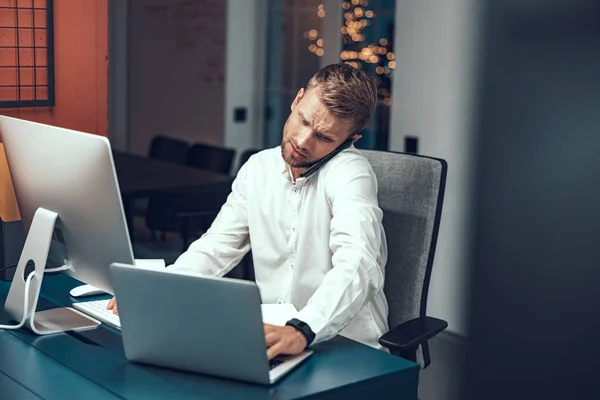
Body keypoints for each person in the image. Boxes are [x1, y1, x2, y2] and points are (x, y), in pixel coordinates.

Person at [108, 63, 389, 360]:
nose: (303, 141)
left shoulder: (351, 172)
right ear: (297, 99)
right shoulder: (258, 168)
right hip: (273, 335)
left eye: (325, 137)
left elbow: (359, 261)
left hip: (347, 344)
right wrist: (159, 289)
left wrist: (304, 328)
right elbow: (217, 246)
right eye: (303, 120)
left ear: (349, 142)